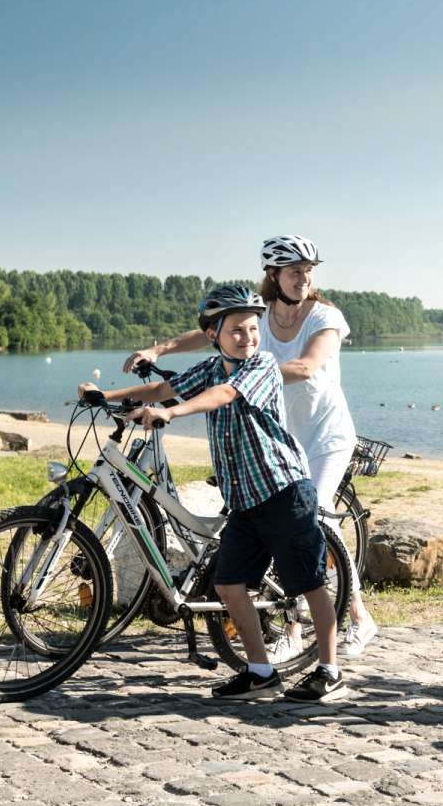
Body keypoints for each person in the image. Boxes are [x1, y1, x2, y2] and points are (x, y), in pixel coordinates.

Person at [84, 283, 346, 703]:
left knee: (310, 582)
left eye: (252, 329)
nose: (248, 338)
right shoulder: (210, 368)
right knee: (228, 584)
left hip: (283, 492)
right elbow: (162, 389)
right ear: (214, 336)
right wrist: (106, 396)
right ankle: (261, 673)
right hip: (244, 500)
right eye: (237, 331)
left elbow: (220, 396)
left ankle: (330, 671)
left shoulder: (259, 366)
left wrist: (170, 413)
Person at [128, 235, 380, 659]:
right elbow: (217, 327)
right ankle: (298, 631)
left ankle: (355, 618)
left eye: (309, 270)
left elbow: (304, 366)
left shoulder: (325, 316)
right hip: (282, 436)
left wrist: (240, 380)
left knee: (313, 520)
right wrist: (160, 348)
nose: (305, 277)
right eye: (295, 271)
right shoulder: (258, 318)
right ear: (274, 275)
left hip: (326, 436)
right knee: (281, 533)